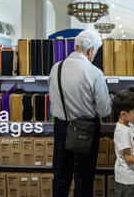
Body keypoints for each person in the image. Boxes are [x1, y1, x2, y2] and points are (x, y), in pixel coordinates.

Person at [48, 29, 111, 197]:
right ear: (91, 50)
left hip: (61, 126)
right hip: (85, 129)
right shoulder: (94, 72)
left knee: (61, 176)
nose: (94, 55)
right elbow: (104, 110)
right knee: (83, 177)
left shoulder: (56, 68)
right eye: (95, 52)